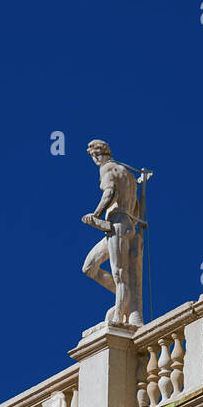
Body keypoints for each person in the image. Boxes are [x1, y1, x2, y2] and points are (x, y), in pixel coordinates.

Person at [81, 139, 144, 326]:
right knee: (89, 267)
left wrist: (96, 214)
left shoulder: (107, 169)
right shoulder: (130, 176)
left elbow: (110, 193)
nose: (94, 159)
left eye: (95, 155)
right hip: (123, 226)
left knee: (119, 274)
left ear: (100, 153)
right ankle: (122, 297)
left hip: (118, 225)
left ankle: (118, 316)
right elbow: (137, 209)